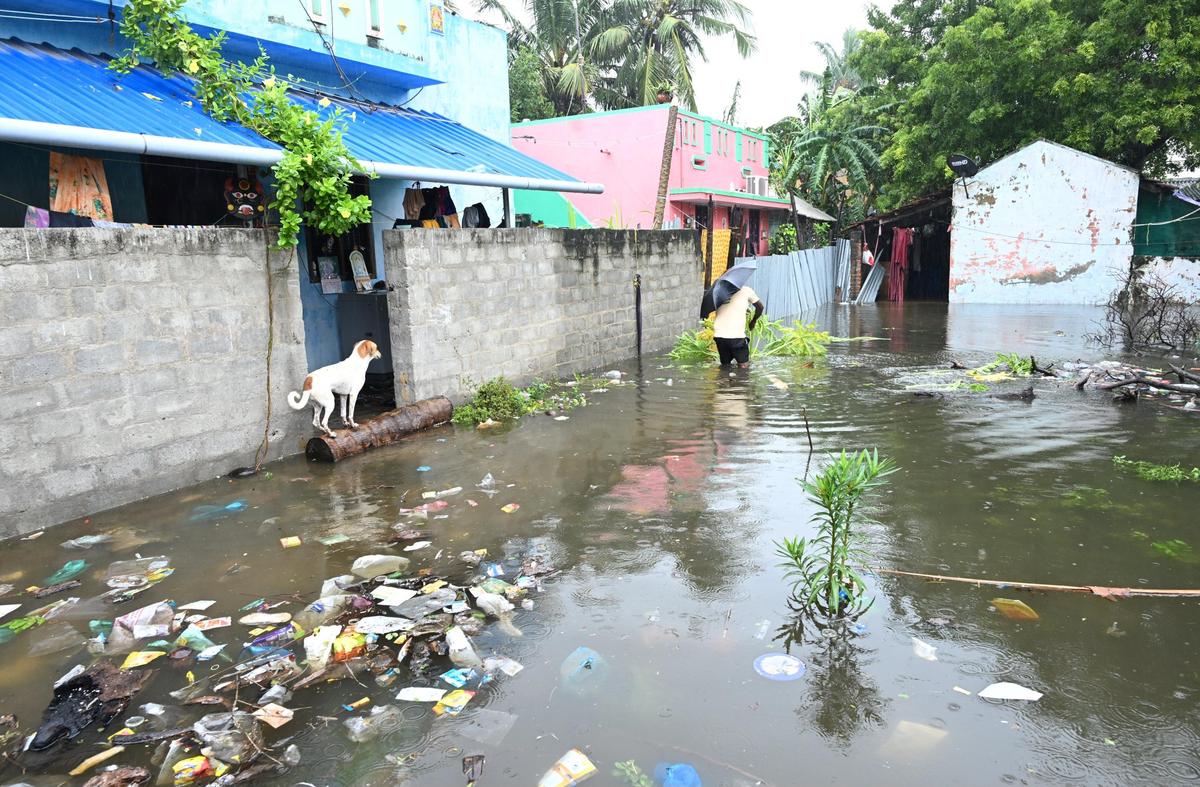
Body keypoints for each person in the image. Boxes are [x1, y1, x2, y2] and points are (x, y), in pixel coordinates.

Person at [711, 284, 764, 367]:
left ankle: (723, 379)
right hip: (736, 336)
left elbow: (729, 308)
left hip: (719, 335)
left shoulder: (718, 291)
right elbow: (760, 307)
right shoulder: (746, 290)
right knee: (743, 366)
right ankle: (741, 380)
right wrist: (753, 321)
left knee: (725, 366)